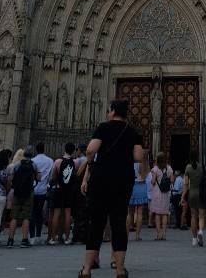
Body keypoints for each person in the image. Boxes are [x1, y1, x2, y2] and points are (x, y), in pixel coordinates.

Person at [77, 98, 143, 278]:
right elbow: (138, 156)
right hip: (123, 180)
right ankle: (120, 270)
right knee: (119, 223)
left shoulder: (103, 127)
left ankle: (86, 269)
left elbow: (90, 150)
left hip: (101, 180)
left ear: (113, 111)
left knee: (96, 223)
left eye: (109, 110)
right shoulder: (132, 131)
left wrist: (90, 163)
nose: (108, 112)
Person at [7, 145, 39, 247]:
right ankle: (24, 240)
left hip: (17, 192)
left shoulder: (17, 165)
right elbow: (39, 177)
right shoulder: (33, 165)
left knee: (14, 217)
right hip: (28, 192)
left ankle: (10, 240)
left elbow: (11, 178)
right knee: (26, 217)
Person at [47, 141, 76, 245]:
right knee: (68, 213)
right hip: (69, 190)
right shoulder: (75, 162)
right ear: (73, 151)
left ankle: (53, 238)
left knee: (57, 213)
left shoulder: (58, 161)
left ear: (64, 149)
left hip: (59, 189)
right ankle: (67, 238)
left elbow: (53, 177)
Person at [181, 150, 206, 248]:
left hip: (192, 194)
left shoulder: (188, 168)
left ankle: (194, 238)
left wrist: (183, 196)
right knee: (201, 216)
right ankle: (200, 230)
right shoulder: (202, 167)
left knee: (193, 216)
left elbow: (186, 184)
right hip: (201, 193)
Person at [30, 141, 53, 245]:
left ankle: (31, 236)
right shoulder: (50, 161)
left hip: (33, 190)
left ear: (36, 149)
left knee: (32, 213)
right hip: (43, 190)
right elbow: (51, 176)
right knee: (39, 213)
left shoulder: (32, 161)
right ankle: (38, 235)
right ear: (44, 149)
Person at [150, 152, 173, 240]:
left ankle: (158, 234)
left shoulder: (155, 169)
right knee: (164, 214)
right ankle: (164, 234)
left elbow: (152, 182)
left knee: (157, 214)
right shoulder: (169, 168)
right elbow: (171, 180)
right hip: (166, 193)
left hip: (157, 193)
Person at [128, 154, 148, 241]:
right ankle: (137, 235)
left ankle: (126, 235)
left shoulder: (128, 163)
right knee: (139, 213)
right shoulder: (143, 164)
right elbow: (146, 176)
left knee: (129, 212)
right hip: (141, 187)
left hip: (131, 186)